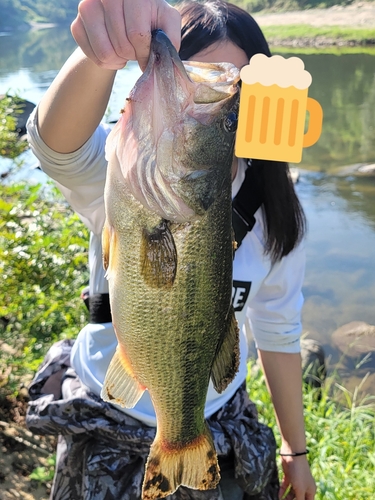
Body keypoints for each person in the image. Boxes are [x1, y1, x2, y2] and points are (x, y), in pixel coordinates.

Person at [26, 1, 316, 499]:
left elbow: (278, 333)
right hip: (106, 413)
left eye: (232, 89)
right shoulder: (127, 174)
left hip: (217, 416)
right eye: (190, 75)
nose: (211, 97)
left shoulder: (277, 216)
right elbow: (57, 147)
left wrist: (297, 450)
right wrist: (103, 52)